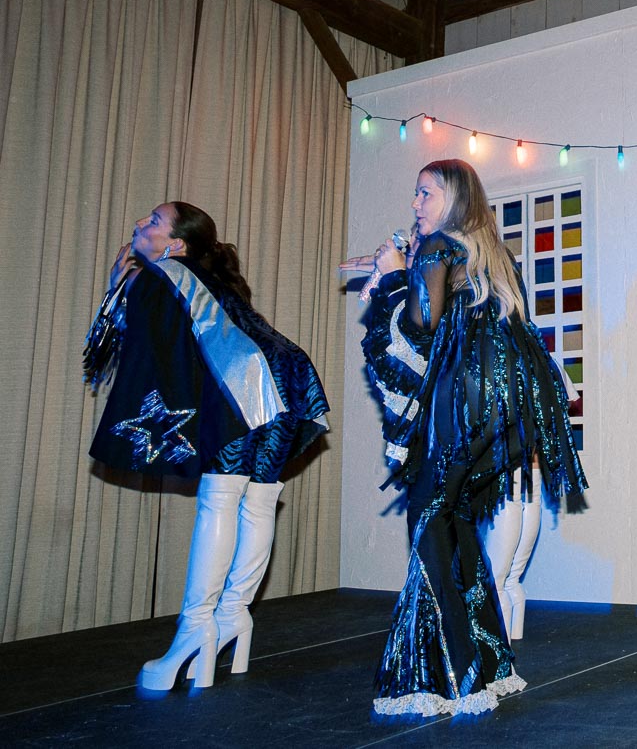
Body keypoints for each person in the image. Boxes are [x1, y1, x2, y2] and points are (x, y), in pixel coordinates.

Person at [345, 159, 586, 718]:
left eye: (426, 193)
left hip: (463, 401)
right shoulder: (491, 255)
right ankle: (486, 666)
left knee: (430, 520)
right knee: (453, 523)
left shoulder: (438, 249)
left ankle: (462, 676)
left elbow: (421, 325)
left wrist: (390, 277)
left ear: (453, 197)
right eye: (414, 193)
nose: (415, 204)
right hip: (504, 405)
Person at [85, 202, 330, 692]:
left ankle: (196, 630)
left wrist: (120, 281)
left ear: (176, 244)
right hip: (290, 378)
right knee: (257, 501)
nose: (139, 224)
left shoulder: (166, 273)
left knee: (219, 498)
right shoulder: (204, 281)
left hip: (245, 387)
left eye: (153, 222)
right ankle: (234, 615)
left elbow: (131, 344)